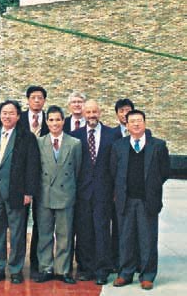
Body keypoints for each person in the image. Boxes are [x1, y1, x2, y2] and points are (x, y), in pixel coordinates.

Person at [110, 110, 170, 290]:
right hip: (126, 200)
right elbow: (114, 171)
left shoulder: (158, 145)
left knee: (148, 239)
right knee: (125, 238)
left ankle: (147, 275)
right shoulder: (118, 146)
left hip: (147, 200)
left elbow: (165, 172)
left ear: (145, 123)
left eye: (139, 121)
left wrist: (152, 187)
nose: (136, 124)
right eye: (132, 121)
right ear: (126, 125)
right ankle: (125, 273)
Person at [0, 100, 39, 285]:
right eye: (4, 113)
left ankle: (16, 269)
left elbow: (32, 166)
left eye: (11, 113)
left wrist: (28, 192)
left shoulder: (26, 137)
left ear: (18, 116)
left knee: (17, 233)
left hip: (17, 192)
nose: (7, 116)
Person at [71, 99, 121, 285]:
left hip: (104, 191)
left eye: (94, 112)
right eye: (88, 112)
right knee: (84, 231)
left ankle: (102, 269)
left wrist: (115, 189)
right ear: (83, 113)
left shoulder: (111, 135)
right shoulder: (75, 135)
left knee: (101, 230)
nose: (91, 115)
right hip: (82, 192)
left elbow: (116, 165)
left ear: (100, 112)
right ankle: (86, 268)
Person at [33, 105, 82, 284]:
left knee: (65, 234)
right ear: (47, 122)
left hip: (66, 194)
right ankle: (45, 268)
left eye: (58, 119)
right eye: (51, 120)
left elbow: (77, 170)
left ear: (64, 121)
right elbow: (36, 169)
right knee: (45, 235)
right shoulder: (39, 142)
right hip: (45, 195)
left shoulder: (74, 143)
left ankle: (63, 270)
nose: (55, 123)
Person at [17, 85, 48, 274]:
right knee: (19, 222)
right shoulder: (19, 120)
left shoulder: (50, 120)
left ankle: (37, 262)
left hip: (44, 178)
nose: (37, 101)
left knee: (41, 221)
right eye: (33, 97)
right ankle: (17, 264)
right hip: (21, 179)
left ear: (44, 101)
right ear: (27, 100)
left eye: (40, 98)